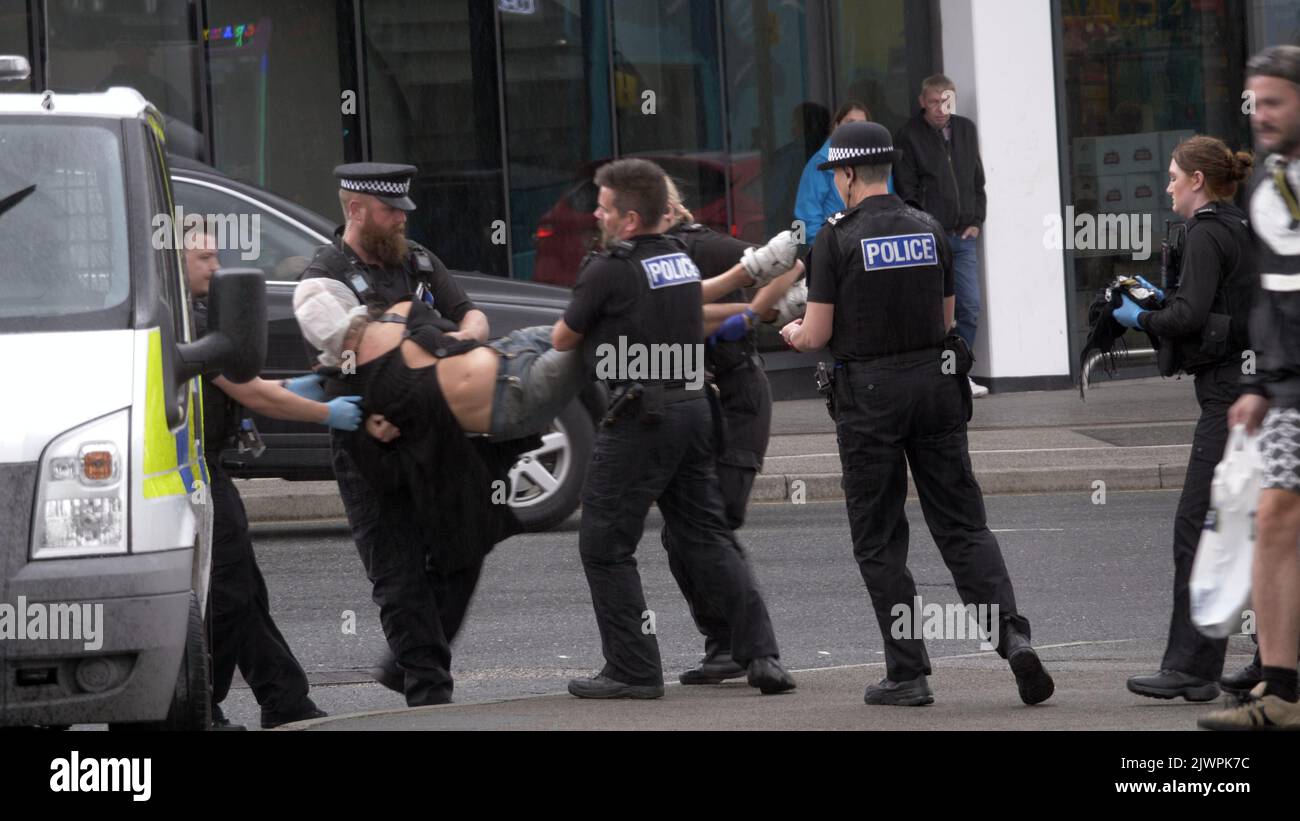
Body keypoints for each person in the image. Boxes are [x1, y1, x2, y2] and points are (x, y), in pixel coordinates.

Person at [781, 121, 1053, 707]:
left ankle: (908, 673)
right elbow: (948, 318)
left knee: (880, 540)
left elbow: (818, 333)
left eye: (838, 176)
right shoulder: (931, 228)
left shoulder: (834, 239)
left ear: (849, 174)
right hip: (936, 389)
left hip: (870, 399)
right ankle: (1012, 638)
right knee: (962, 526)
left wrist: (795, 333)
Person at [552, 158, 796, 699]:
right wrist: (752, 303)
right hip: (694, 409)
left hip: (641, 417)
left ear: (631, 218)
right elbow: (689, 312)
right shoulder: (680, 259)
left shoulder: (609, 268)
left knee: (604, 545)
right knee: (707, 535)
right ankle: (762, 655)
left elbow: (562, 339)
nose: (596, 212)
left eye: (605, 205)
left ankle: (633, 669)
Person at [298, 162, 491, 706]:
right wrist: (426, 333)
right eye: (389, 211)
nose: (400, 221)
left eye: (403, 211)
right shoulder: (323, 280)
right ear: (356, 209)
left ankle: (409, 661)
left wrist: (458, 343)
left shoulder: (421, 260)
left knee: (466, 544)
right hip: (371, 440)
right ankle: (428, 691)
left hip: (436, 433)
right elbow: (352, 351)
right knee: (399, 570)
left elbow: (472, 316)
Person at [184, 228, 361, 730]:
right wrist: (324, 412)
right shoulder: (188, 320)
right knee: (228, 590)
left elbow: (245, 387)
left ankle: (283, 698)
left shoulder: (190, 316)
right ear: (173, 261)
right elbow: (255, 396)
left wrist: (294, 387)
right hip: (196, 472)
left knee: (243, 590)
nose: (216, 267)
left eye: (217, 255)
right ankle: (203, 708)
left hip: (203, 468)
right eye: (204, 257)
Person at [1111, 137, 1256, 703]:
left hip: (1228, 396)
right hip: (1257, 388)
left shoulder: (1203, 232)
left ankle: (1192, 669)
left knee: (1196, 529)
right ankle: (1273, 662)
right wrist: (1157, 303)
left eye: (1173, 176)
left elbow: (1192, 314)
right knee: (1258, 530)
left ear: (1198, 180)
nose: (1167, 185)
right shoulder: (1240, 226)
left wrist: (1142, 316)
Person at [661, 178, 804, 684]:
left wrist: (753, 314)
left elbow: (794, 263)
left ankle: (761, 653)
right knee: (679, 536)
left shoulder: (700, 244)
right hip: (693, 405)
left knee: (713, 524)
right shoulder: (650, 257)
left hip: (738, 397)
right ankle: (721, 645)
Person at [1199, 45, 1300, 731]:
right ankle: (1282, 690)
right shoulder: (1268, 185)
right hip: (1292, 386)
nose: (1261, 115)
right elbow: (1275, 296)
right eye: (1254, 103)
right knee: (1273, 518)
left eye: (1275, 102)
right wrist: (1261, 383)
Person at [893, 75, 990, 398]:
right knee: (933, 312)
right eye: (934, 101)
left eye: (946, 100)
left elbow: (977, 180)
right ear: (923, 101)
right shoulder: (908, 135)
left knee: (969, 308)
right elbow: (907, 191)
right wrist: (923, 228)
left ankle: (957, 372)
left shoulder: (965, 129)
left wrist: (976, 219)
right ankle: (933, 374)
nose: (940, 108)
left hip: (962, 239)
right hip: (929, 240)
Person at [794, 100, 876, 246]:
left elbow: (887, 205)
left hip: (871, 249)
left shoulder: (878, 163)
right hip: (834, 252)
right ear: (837, 126)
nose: (855, 130)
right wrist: (826, 250)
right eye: (850, 123)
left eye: (862, 125)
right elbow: (804, 218)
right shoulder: (819, 164)